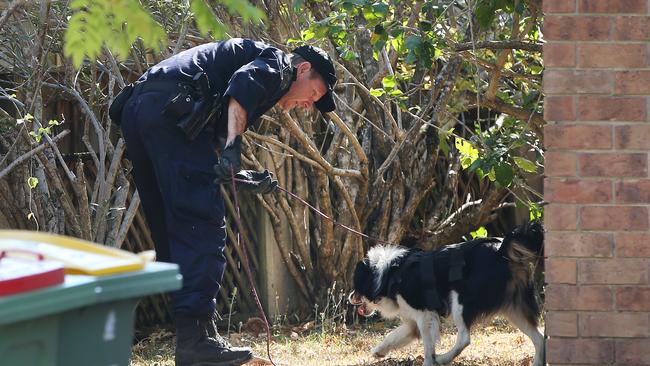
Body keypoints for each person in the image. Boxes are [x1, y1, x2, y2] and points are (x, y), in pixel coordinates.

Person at [115, 38, 337, 366]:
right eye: (314, 94)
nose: (308, 104)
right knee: (201, 223)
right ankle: (197, 340)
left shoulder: (250, 67)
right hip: (170, 106)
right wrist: (234, 145)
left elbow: (207, 158)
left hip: (141, 109)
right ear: (303, 69)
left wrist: (239, 175)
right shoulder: (279, 64)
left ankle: (192, 336)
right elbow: (244, 84)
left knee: (172, 226)